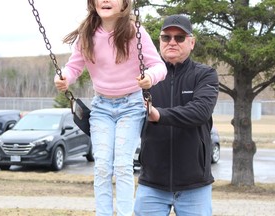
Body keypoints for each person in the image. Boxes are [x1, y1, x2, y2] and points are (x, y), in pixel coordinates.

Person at [54, 0, 167, 215]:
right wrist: (64, 78)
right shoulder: (87, 34)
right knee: (102, 166)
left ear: (125, 3)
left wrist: (149, 77)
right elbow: (74, 66)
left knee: (123, 165)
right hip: (102, 107)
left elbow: (159, 66)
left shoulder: (135, 31)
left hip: (131, 105)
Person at [134, 14, 219, 216]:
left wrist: (158, 115)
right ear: (159, 41)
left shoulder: (205, 74)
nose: (172, 42)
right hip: (151, 184)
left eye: (179, 37)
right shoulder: (145, 78)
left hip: (194, 185)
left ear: (192, 42)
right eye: (166, 37)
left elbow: (200, 112)